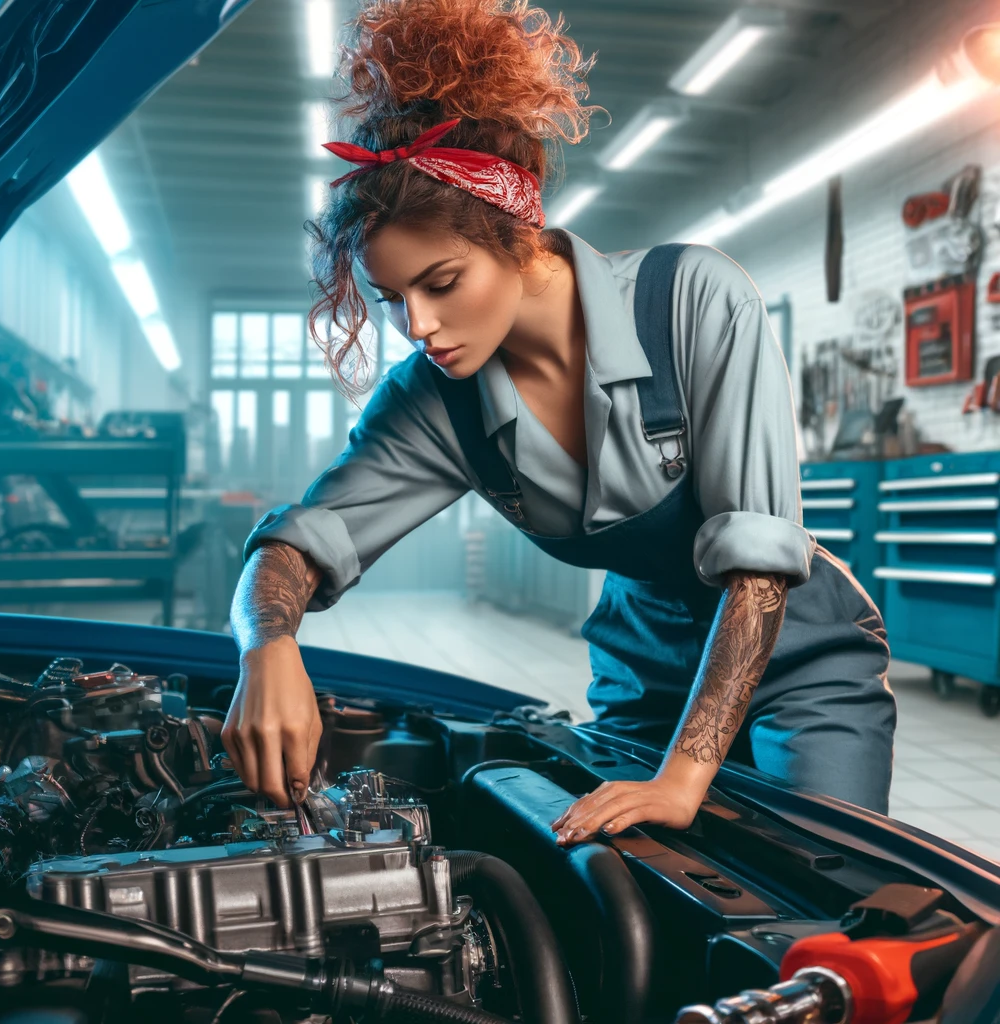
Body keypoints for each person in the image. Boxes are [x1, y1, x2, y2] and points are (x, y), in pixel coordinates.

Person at [221, 0, 896, 843]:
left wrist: (684, 778)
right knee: (628, 894)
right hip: (642, 670)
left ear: (515, 234)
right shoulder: (434, 399)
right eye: (394, 300)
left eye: (441, 281)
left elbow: (758, 570)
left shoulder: (691, 300)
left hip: (799, 653)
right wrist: (265, 646)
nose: (419, 326)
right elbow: (296, 545)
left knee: (825, 880)